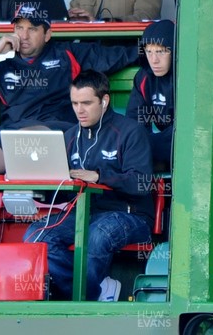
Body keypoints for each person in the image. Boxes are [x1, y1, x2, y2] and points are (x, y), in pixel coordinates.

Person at [24, 70, 153, 301]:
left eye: (86, 103)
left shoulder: (131, 131)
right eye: (74, 103)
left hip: (130, 215)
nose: (79, 110)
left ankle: (82, 298)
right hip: (82, 213)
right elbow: (62, 192)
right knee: (36, 234)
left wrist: (99, 175)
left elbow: (141, 184)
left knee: (96, 235)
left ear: (104, 101)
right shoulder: (70, 136)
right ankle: (92, 291)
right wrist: (37, 187)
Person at [0, 3, 138, 174]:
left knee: (29, 138)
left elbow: (119, 55)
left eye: (33, 29)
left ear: (47, 34)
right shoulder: (1, 68)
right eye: (19, 28)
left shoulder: (66, 54)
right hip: (10, 136)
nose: (24, 36)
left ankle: (27, 195)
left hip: (56, 133)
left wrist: (154, 49)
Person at [126, 20, 213, 173]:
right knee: (129, 145)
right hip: (174, 144)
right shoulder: (143, 78)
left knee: (176, 144)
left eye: (161, 51)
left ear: (176, 50)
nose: (154, 60)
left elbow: (192, 129)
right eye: (149, 52)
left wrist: (146, 144)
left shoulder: (198, 75)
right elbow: (134, 123)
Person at [68, 0, 162, 21]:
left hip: (123, 49)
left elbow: (145, 18)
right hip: (85, 48)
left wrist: (100, 24)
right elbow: (72, 12)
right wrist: (74, 18)